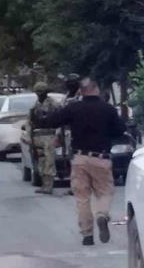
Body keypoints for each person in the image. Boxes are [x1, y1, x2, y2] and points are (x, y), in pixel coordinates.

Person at [41, 77, 127, 246]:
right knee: (105, 192)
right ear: (96, 89)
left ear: (81, 91)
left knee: (82, 197)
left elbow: (52, 121)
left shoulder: (73, 108)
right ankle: (102, 214)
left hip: (79, 159)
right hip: (101, 158)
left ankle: (87, 234)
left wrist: (42, 118)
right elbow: (120, 130)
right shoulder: (107, 109)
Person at [28, 82, 59, 195]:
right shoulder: (35, 105)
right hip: (38, 135)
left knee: (49, 160)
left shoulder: (53, 104)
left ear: (46, 92)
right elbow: (30, 121)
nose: (39, 94)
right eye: (37, 91)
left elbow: (59, 119)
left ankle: (49, 185)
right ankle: (44, 184)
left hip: (49, 135)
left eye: (41, 91)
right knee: (41, 160)